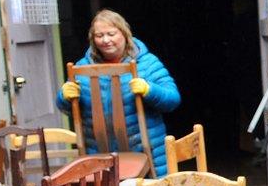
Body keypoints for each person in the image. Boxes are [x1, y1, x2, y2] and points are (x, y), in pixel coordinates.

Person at [57, 9, 181, 176]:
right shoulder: (82, 68)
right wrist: (63, 97)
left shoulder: (147, 63)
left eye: (111, 33)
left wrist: (149, 90)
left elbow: (173, 99)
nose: (106, 40)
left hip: (148, 155)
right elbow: (67, 108)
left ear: (124, 33)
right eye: (99, 36)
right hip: (98, 156)